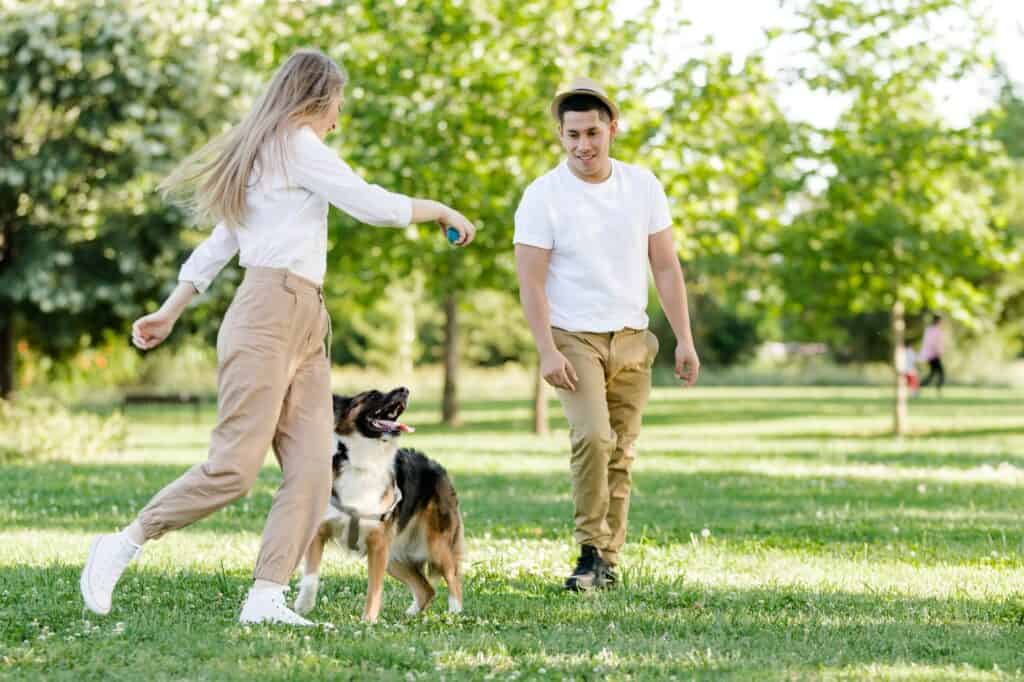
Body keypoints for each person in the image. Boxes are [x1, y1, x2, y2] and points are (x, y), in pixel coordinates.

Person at [78, 49, 476, 626]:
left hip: (305, 320)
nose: (339, 115)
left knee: (314, 470)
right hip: (266, 315)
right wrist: (441, 210)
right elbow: (370, 204)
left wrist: (169, 309)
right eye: (337, 101)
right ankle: (122, 543)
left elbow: (219, 243)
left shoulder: (274, 155)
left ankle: (266, 597)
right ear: (317, 97)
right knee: (234, 469)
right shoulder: (294, 147)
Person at [513, 77, 699, 591]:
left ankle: (607, 562)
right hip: (573, 337)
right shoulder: (542, 196)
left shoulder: (642, 185)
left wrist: (683, 338)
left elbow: (665, 266)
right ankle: (590, 548)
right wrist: (546, 349)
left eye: (592, 133)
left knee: (622, 450)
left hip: (633, 337)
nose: (583, 146)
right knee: (593, 437)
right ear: (560, 136)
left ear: (612, 128)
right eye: (572, 136)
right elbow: (530, 281)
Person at [919, 314, 946, 394]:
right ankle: (938, 389)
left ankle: (920, 386)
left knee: (933, 373)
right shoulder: (935, 331)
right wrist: (938, 352)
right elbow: (934, 343)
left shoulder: (928, 330)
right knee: (940, 373)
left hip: (929, 355)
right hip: (934, 354)